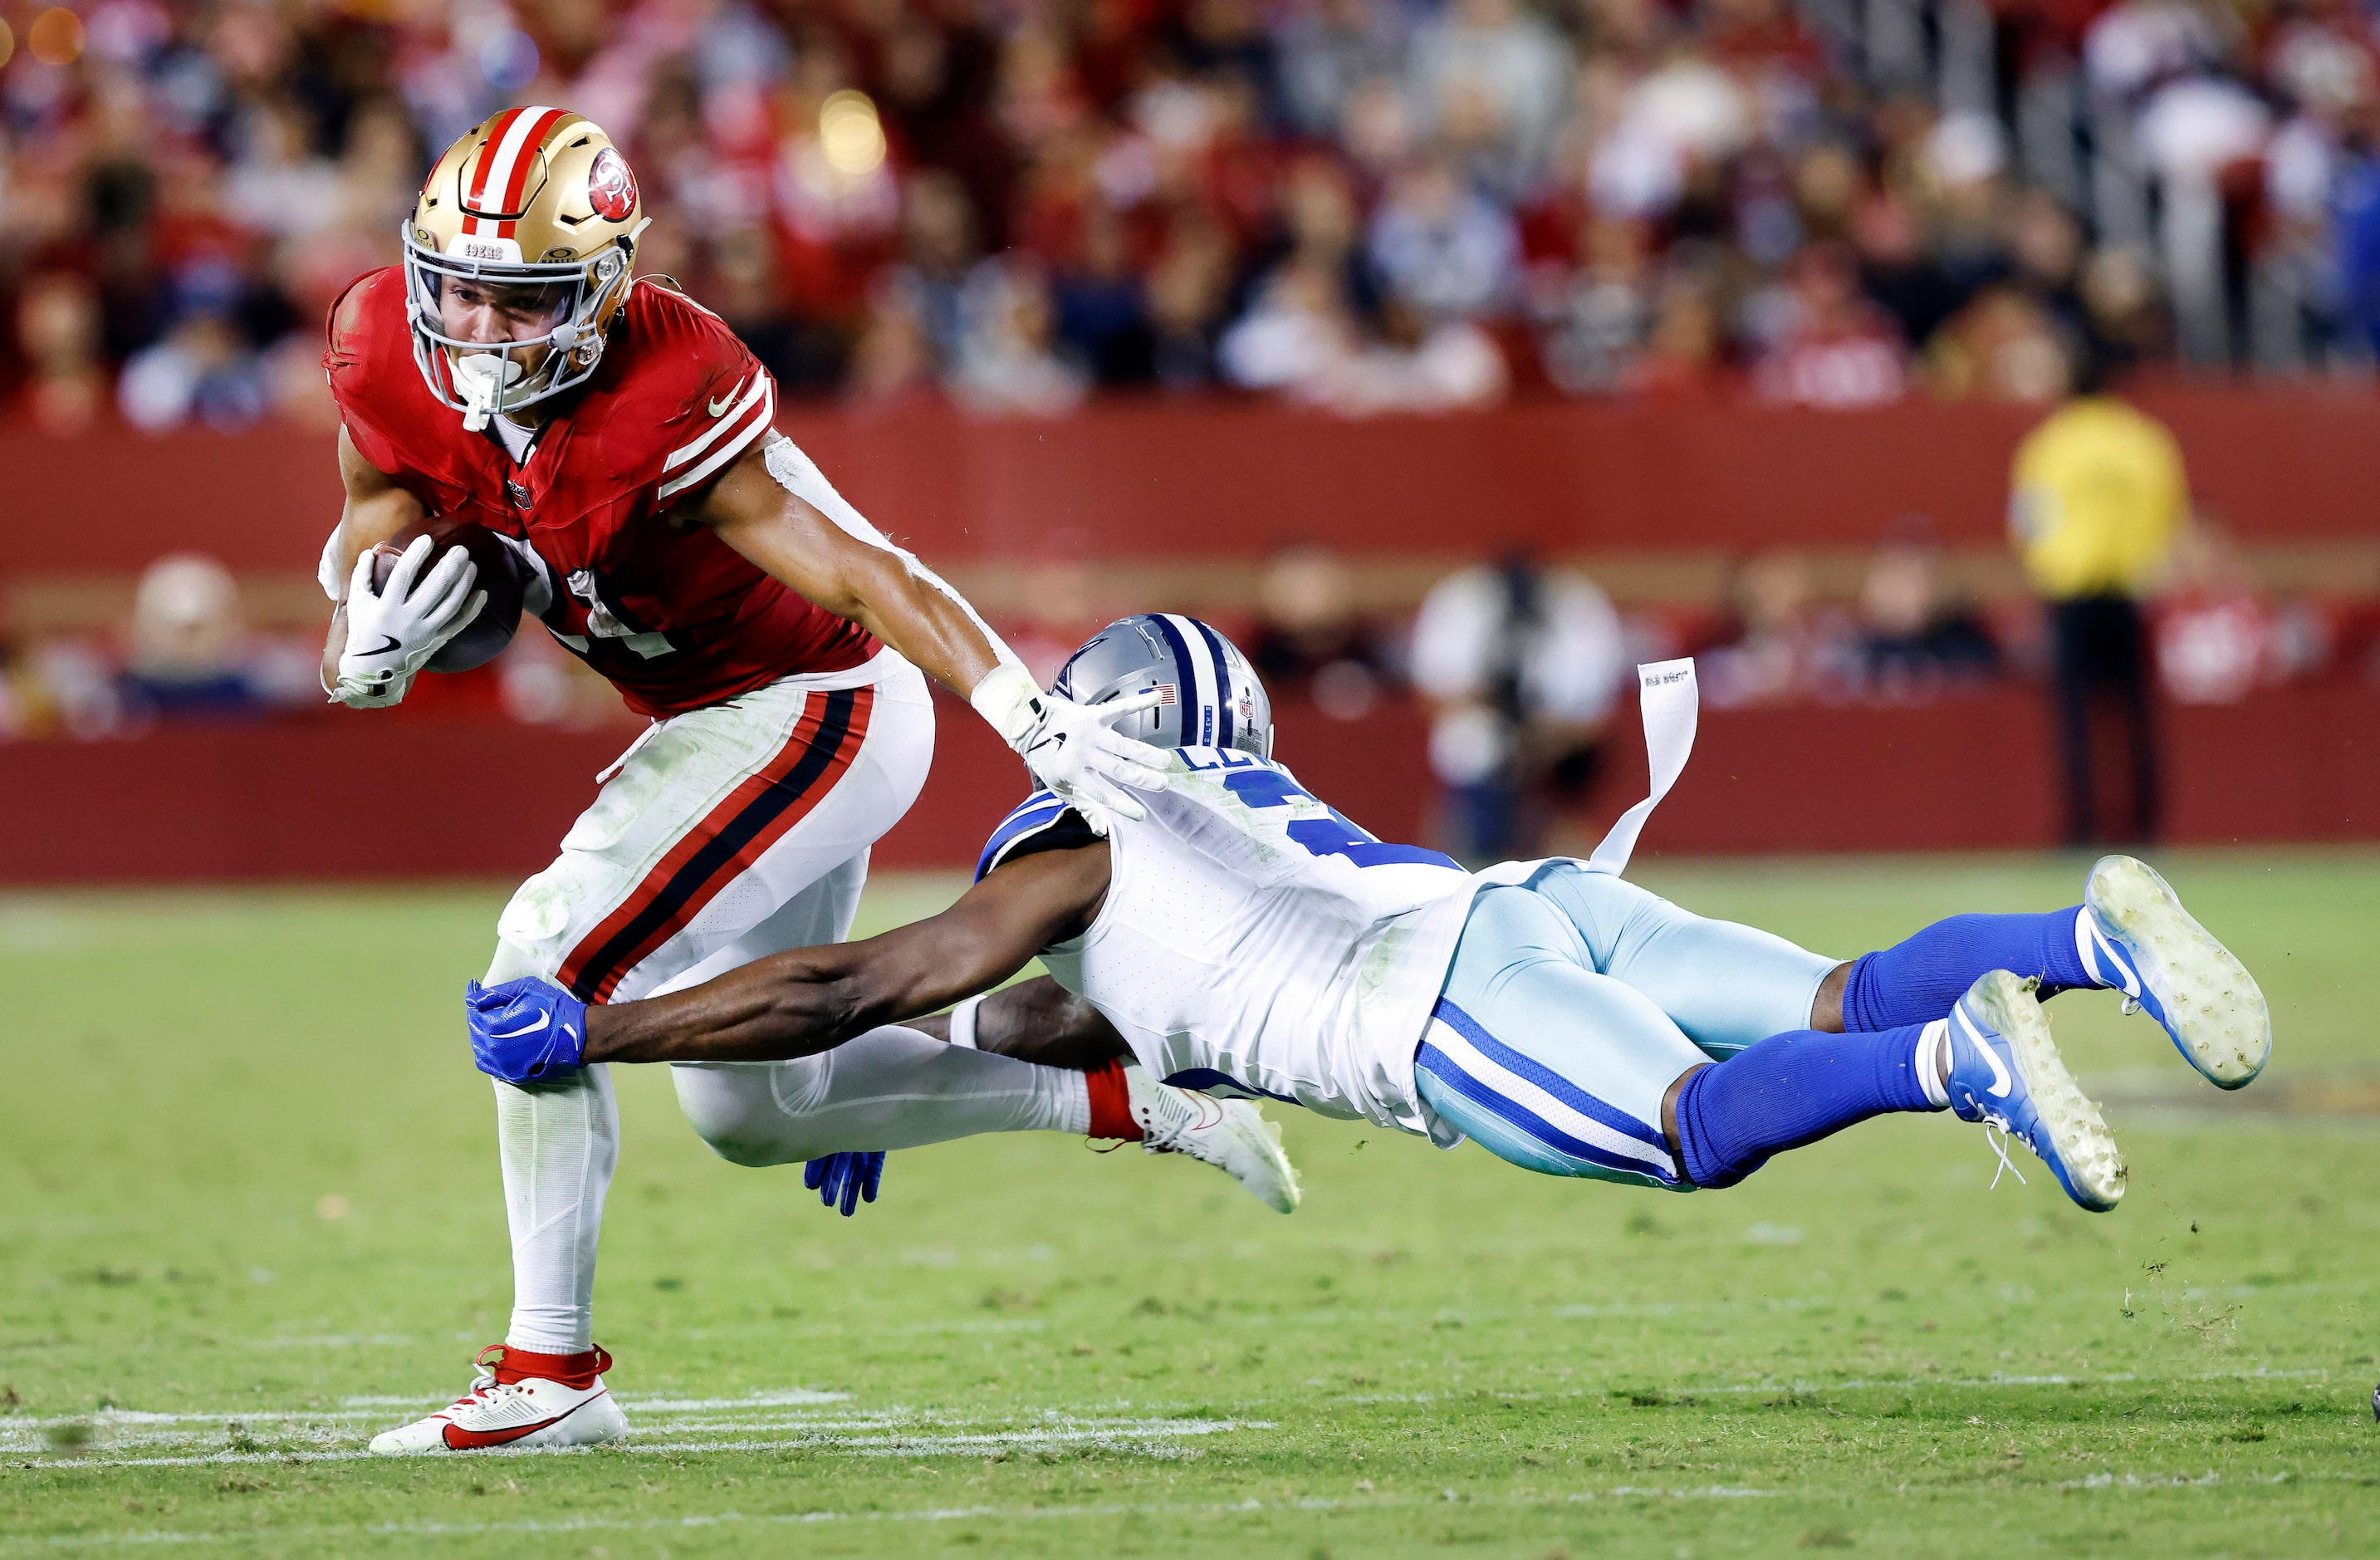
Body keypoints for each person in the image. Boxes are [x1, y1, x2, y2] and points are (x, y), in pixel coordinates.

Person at [468, 616, 2275, 1418]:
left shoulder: (1078, 835)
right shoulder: (1237, 816)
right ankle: (2076, 939)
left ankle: (1954, 1065)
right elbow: (1059, 1028)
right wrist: (873, 1095)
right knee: (1825, 985)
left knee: (1692, 1133)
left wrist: (603, 1029)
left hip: (1421, 1008)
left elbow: (864, 973)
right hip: (1526, 903)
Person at [321, 110, 1294, 1455]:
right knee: (752, 1105)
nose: (479, 330)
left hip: (810, 701)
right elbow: (380, 499)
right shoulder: (383, 341)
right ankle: (1130, 1084)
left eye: (522, 300)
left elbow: (862, 570)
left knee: (542, 954)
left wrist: (1020, 708)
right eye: (461, 291)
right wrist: (355, 639)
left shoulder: (674, 377)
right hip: (702, 714)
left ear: (600, 289)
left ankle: (553, 1370)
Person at [2008, 369, 2187, 845]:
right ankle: (2147, 824)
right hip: (2131, 588)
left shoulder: (2052, 442)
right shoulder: (2145, 440)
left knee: (2074, 717)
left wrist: (2045, 569)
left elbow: (2030, 516)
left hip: (2071, 591)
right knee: (2138, 713)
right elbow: (2170, 510)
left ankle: (2080, 826)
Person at [1408, 553, 1625, 864]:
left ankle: (1567, 867)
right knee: (1471, 754)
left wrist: (1542, 736)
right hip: (1483, 742)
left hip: (1557, 753)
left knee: (1564, 805)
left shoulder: (1577, 608)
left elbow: (1592, 713)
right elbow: (1436, 695)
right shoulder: (1462, 604)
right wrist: (1493, 696)